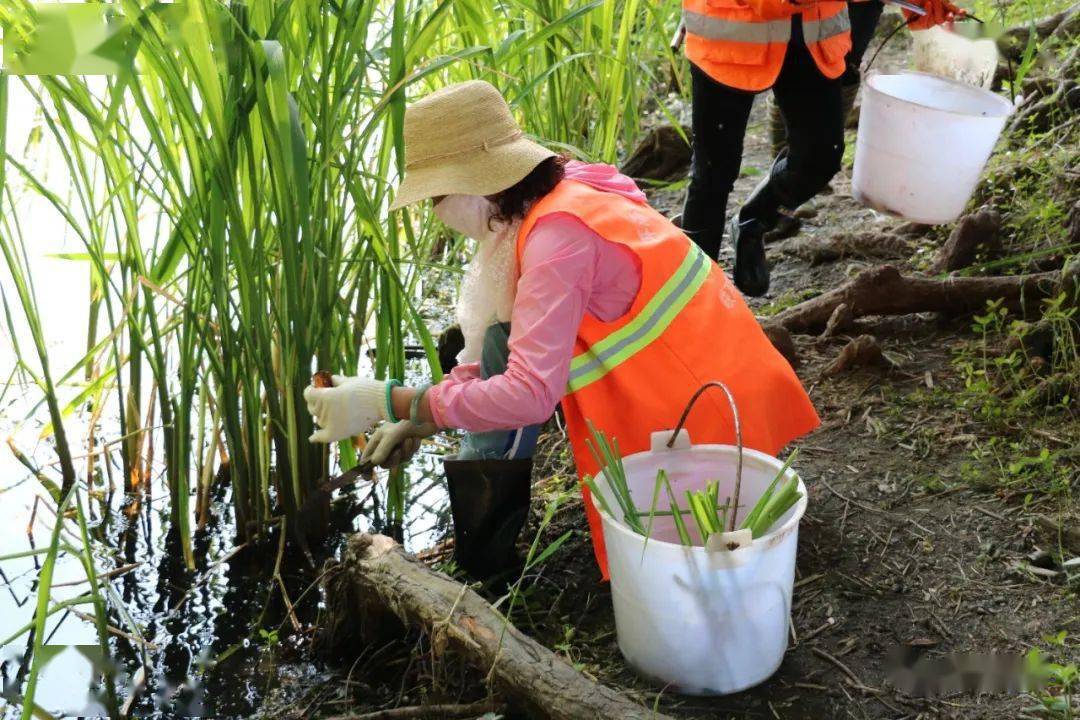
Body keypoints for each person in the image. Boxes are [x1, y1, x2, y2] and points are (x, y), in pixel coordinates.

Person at [304, 80, 820, 581]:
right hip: (693, 381)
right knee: (497, 347)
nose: (436, 212)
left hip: (700, 417)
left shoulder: (557, 238)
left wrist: (394, 401)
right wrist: (423, 417)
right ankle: (483, 556)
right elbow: (499, 343)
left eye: (436, 197)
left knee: (510, 381)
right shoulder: (552, 199)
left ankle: (486, 568)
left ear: (474, 183)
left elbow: (528, 394)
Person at [679, 0, 963, 297]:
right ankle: (696, 299)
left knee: (820, 156)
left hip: (813, 38)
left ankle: (752, 221)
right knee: (713, 173)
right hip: (730, 36)